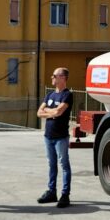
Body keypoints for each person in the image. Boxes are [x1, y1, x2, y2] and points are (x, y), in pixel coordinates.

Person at [37, 67, 72, 208]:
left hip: (61, 137)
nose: (52, 78)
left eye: (54, 75)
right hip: (48, 136)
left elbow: (59, 112)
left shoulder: (67, 95)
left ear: (62, 78)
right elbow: (39, 113)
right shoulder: (50, 95)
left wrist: (49, 111)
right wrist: (51, 113)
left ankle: (65, 194)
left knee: (64, 165)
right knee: (52, 165)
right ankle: (52, 192)